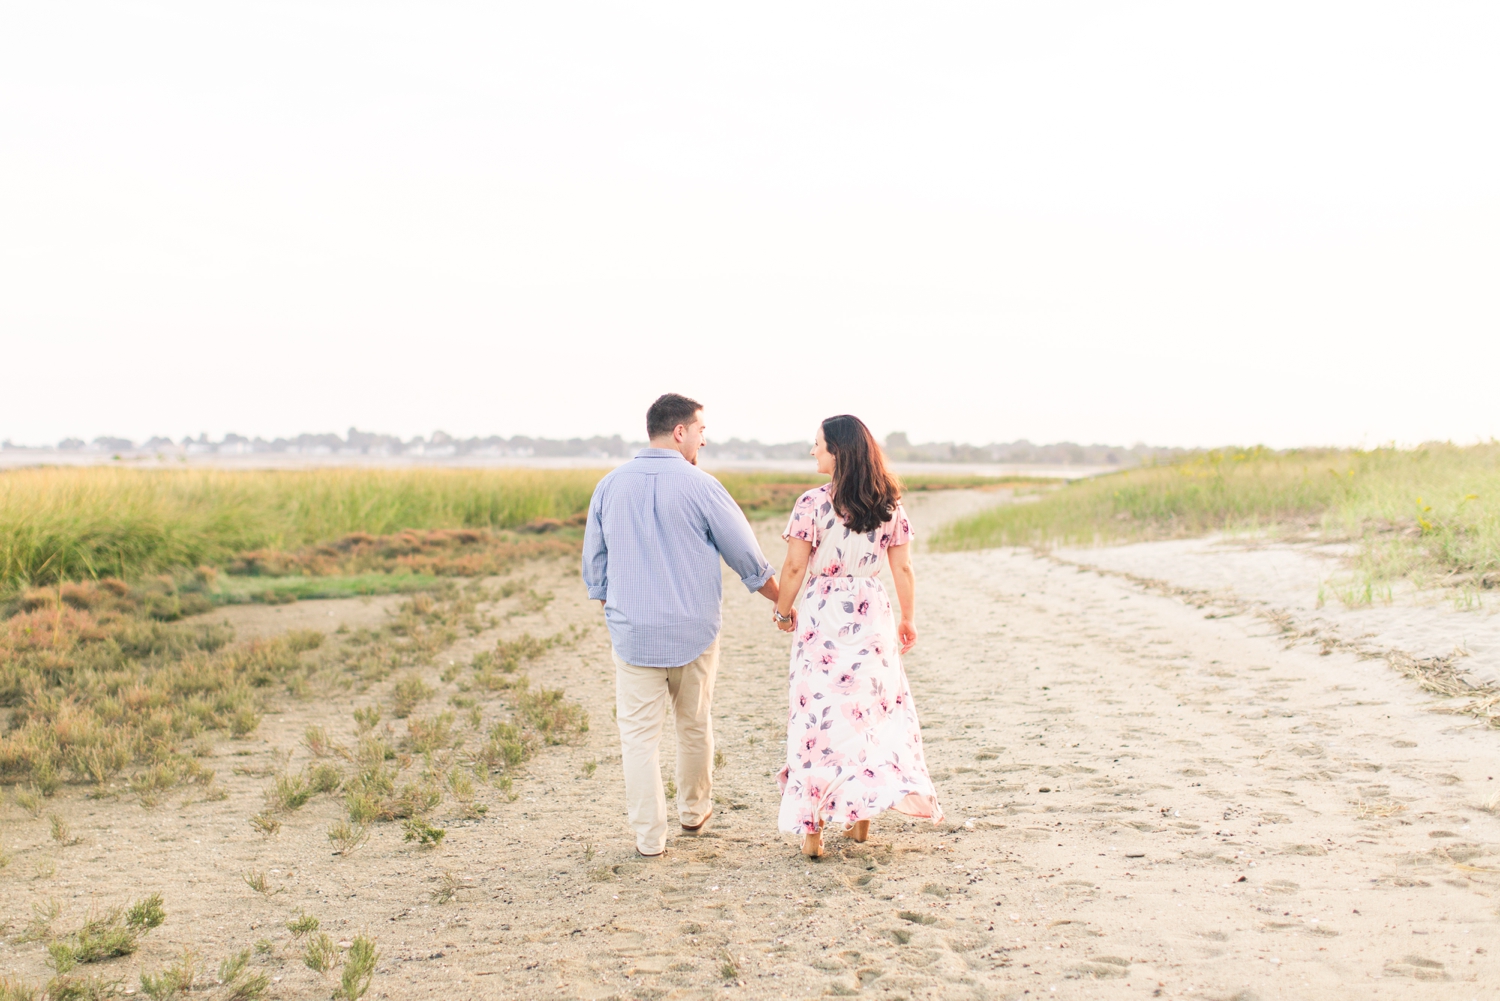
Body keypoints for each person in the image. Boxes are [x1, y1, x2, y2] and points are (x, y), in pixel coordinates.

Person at [582, 393, 781, 857]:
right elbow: (747, 558)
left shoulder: (609, 486)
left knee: (638, 740)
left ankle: (649, 839)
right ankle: (693, 812)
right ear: (680, 432)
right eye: (701, 432)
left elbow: (596, 568)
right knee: (693, 724)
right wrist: (784, 605)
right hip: (694, 632)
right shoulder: (703, 486)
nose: (703, 442)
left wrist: (624, 611)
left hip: (633, 635)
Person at [772, 414, 942, 857]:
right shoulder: (889, 504)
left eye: (818, 445)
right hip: (872, 614)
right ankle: (860, 821)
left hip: (822, 615)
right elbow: (902, 568)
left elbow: (793, 567)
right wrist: (908, 617)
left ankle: (813, 832)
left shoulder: (811, 503)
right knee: (865, 715)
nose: (813, 451)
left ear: (838, 452)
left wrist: (783, 609)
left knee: (818, 718)